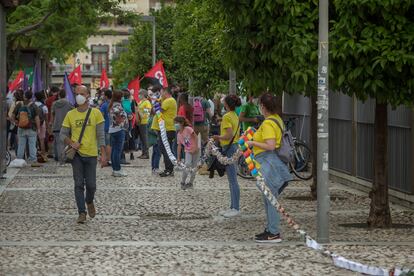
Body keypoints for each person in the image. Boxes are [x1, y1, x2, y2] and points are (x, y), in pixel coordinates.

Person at [246, 93, 293, 243]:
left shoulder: (268, 123)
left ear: (264, 107)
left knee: (271, 199)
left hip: (268, 163)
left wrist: (253, 143)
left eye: (260, 105)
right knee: (269, 198)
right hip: (271, 163)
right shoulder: (277, 119)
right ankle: (270, 229)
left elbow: (271, 145)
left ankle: (273, 232)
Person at [60, 85, 106, 224]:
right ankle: (81, 212)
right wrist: (71, 142)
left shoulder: (96, 113)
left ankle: (89, 201)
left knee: (91, 185)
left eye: (81, 93)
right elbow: (62, 134)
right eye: (76, 93)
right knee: (78, 184)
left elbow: (101, 135)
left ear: (87, 95)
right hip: (77, 156)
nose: (78, 95)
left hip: (91, 155)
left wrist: (103, 154)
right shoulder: (70, 114)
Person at [213, 95, 241, 218]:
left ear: (226, 105)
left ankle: (235, 208)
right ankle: (233, 206)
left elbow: (228, 134)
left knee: (232, 180)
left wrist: (218, 137)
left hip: (229, 148)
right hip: (234, 147)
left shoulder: (227, 117)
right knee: (232, 179)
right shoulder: (235, 115)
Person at [151, 87, 177, 177]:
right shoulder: (167, 100)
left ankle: (169, 169)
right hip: (165, 128)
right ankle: (169, 169)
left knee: (166, 149)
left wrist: (156, 102)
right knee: (165, 148)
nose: (160, 94)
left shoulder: (169, 100)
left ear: (166, 93)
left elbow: (157, 110)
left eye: (161, 92)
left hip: (167, 128)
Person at [11, 90, 41, 165]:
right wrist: (38, 128)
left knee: (21, 144)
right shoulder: (34, 105)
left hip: (21, 128)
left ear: (24, 96)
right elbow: (37, 118)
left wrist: (16, 122)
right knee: (32, 144)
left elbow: (12, 116)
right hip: (32, 128)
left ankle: (19, 159)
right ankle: (33, 160)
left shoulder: (19, 104)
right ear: (31, 97)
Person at [175, 116, 199, 190]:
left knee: (194, 167)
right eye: (175, 123)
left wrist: (195, 147)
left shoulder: (188, 129)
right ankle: (183, 182)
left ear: (182, 123)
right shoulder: (179, 134)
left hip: (196, 150)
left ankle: (190, 183)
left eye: (176, 123)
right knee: (187, 164)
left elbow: (195, 137)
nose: (175, 125)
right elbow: (179, 146)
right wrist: (178, 158)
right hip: (188, 151)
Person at [108, 90, 128, 177]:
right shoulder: (117, 105)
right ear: (120, 97)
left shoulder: (112, 104)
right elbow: (118, 116)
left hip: (113, 129)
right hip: (118, 129)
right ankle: (117, 169)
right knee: (117, 151)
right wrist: (122, 119)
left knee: (114, 151)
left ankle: (114, 169)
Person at [50, 89, 73, 162]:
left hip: (56, 125)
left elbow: (52, 115)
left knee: (58, 143)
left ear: (59, 95)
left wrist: (51, 124)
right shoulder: (69, 103)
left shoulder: (54, 104)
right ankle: (65, 157)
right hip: (66, 125)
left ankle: (58, 157)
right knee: (66, 142)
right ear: (65, 95)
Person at [136, 89, 152, 159]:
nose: (138, 95)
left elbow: (147, 113)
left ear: (143, 95)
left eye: (140, 94)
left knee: (144, 138)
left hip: (144, 122)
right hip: (140, 122)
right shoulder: (141, 102)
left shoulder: (147, 102)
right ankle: (143, 153)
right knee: (142, 138)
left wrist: (139, 111)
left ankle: (146, 153)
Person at [34, 91, 49, 161]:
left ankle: (33, 153)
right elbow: (46, 117)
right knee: (42, 140)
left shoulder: (32, 105)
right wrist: (47, 125)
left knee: (33, 140)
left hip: (33, 124)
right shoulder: (44, 106)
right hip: (42, 124)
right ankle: (43, 153)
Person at [99, 89, 112, 165]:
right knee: (110, 144)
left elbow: (101, 116)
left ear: (106, 96)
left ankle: (107, 159)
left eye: (104, 95)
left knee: (106, 144)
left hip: (106, 126)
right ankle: (110, 159)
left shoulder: (104, 105)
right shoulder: (113, 103)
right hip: (113, 127)